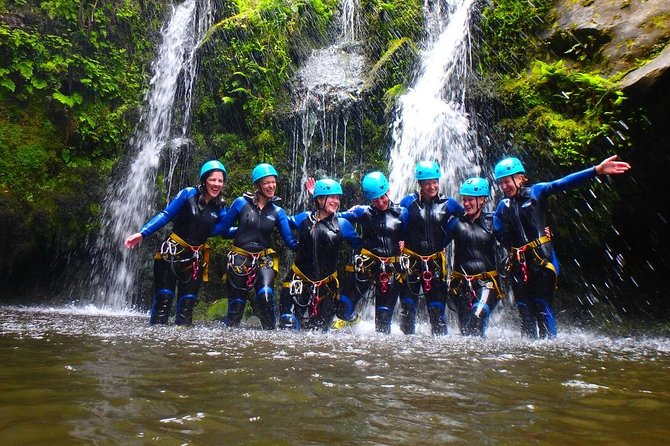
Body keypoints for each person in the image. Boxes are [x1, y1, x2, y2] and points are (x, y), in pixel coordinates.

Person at [492, 155, 631, 338]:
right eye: (501, 183)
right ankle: (527, 356)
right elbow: (498, 232)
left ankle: (549, 350)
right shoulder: (503, 206)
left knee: (543, 306)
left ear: (520, 178)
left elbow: (562, 183)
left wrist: (596, 170)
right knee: (525, 311)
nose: (504, 187)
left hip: (541, 259)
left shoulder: (536, 192)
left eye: (507, 181)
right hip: (519, 264)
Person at [124, 160, 232, 326]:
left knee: (187, 303)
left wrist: (248, 229)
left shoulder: (221, 206)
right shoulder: (188, 194)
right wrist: (143, 233)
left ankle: (180, 347)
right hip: (171, 252)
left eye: (220, 181)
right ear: (204, 180)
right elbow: (166, 215)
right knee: (164, 298)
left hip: (195, 258)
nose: (217, 184)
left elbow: (223, 231)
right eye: (213, 180)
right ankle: (156, 340)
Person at [211, 163, 298, 330]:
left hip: (264, 260)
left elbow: (291, 242)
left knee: (266, 296)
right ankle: (229, 342)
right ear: (258, 185)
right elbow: (222, 230)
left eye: (273, 182)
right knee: (236, 306)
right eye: (266, 183)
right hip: (239, 259)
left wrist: (311, 236)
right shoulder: (240, 203)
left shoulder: (278, 212)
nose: (271, 186)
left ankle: (270, 336)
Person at [279, 178, 361, 331]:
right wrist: (291, 243)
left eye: (337, 198)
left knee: (320, 333)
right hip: (298, 282)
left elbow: (360, 246)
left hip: (326, 288)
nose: (336, 201)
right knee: (287, 325)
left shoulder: (343, 225)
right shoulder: (304, 218)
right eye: (332, 197)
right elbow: (282, 219)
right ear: (320, 199)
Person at [398, 160, 464, 335]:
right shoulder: (408, 202)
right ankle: (406, 349)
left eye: (434, 181)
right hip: (411, 262)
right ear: (419, 184)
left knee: (437, 311)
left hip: (434, 263)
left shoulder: (449, 204)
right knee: (407, 308)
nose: (431, 186)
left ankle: (439, 352)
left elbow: (470, 217)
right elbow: (392, 220)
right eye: (427, 182)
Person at [337, 171, 408, 333]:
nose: (380, 202)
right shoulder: (362, 212)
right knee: (343, 308)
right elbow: (335, 217)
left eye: (382, 197)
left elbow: (409, 234)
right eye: (375, 199)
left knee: (383, 324)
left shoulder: (402, 213)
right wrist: (319, 199)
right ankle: (355, 322)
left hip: (389, 270)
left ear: (388, 191)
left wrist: (404, 242)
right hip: (366, 266)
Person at [445, 177, 504, 336]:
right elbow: (434, 244)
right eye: (464, 200)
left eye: (470, 200)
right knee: (466, 332)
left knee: (477, 319)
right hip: (460, 285)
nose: (466, 204)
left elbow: (512, 241)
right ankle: (475, 360)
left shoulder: (494, 222)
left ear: (482, 200)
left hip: (487, 284)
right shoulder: (455, 223)